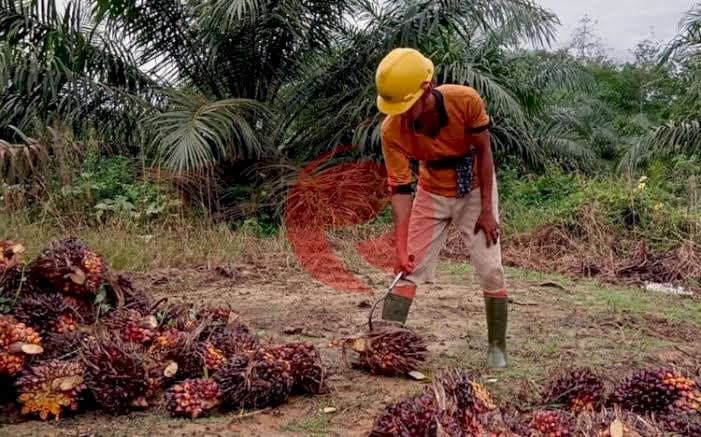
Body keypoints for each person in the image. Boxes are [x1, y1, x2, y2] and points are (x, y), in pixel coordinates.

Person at [374, 47, 508, 368]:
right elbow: (400, 189)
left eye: (406, 106)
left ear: (426, 89)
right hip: (430, 191)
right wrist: (401, 246)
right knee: (406, 270)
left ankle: (497, 348)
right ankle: (388, 344)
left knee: (491, 269)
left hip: (474, 190)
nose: (402, 114)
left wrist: (487, 210)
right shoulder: (391, 130)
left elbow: (484, 153)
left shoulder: (465, 100)